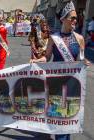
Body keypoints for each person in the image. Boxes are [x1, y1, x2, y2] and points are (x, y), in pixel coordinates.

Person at [30, 1, 90, 140]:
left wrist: (84, 62)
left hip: (72, 83)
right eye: (72, 18)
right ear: (63, 19)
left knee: (67, 115)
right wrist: (37, 60)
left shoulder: (80, 38)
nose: (75, 20)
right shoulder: (54, 38)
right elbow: (47, 57)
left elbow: (81, 59)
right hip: (56, 83)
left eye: (76, 18)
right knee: (57, 112)